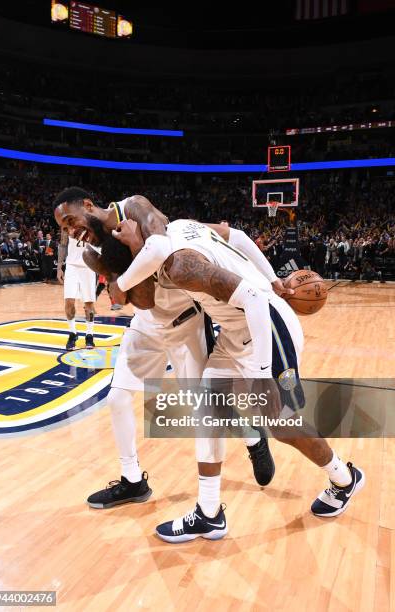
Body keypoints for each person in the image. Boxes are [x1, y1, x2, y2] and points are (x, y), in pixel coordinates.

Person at [107, 215, 365, 543]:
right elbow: (239, 236)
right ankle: (209, 513)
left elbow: (255, 301)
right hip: (235, 331)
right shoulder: (181, 225)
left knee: (283, 425)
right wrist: (272, 277)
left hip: (267, 327)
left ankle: (345, 478)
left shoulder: (181, 265)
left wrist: (259, 374)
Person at [52, 187, 276, 510]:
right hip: (146, 324)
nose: (72, 232)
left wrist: (133, 247)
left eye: (71, 220)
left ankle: (252, 437)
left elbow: (159, 249)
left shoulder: (136, 207)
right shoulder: (92, 253)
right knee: (117, 398)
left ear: (88, 205)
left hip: (186, 323)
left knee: (208, 407)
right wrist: (123, 269)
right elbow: (143, 300)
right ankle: (132, 481)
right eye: (65, 229)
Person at [57, 229, 97, 350]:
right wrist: (59, 267)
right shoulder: (67, 223)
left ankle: (89, 335)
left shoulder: (92, 221)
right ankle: (73, 333)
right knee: (69, 302)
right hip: (71, 266)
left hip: (89, 266)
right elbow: (63, 245)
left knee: (89, 304)